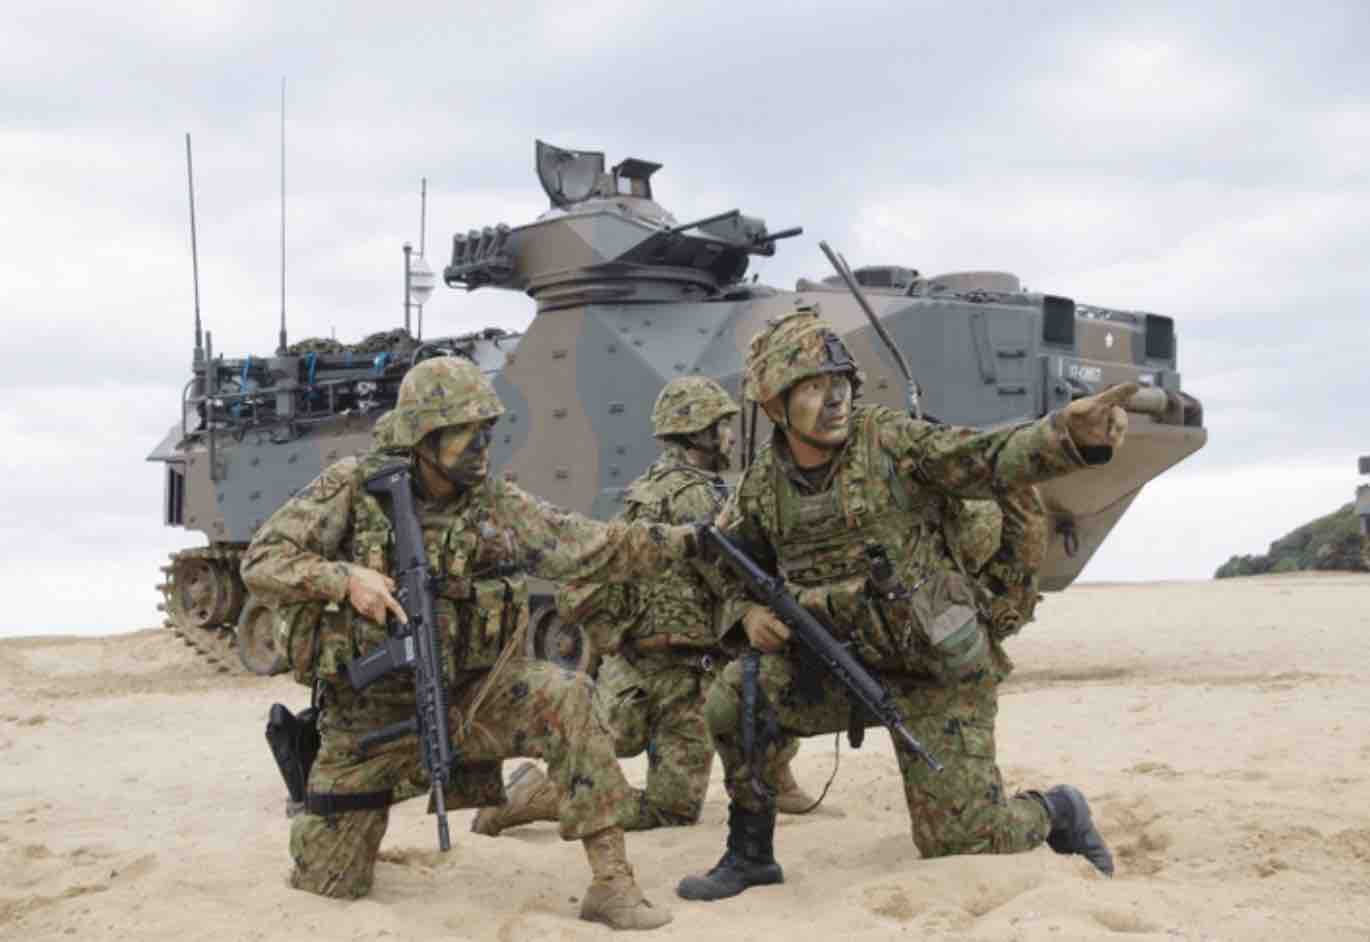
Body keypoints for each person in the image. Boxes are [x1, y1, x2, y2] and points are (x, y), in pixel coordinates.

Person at [676, 307, 1129, 901]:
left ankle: (1060, 811)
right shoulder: (763, 486)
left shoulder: (890, 441)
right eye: (813, 387)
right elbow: (725, 561)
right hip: (839, 668)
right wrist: (745, 613)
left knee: (966, 838)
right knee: (736, 695)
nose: (834, 399)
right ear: (773, 406)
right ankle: (750, 853)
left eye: (840, 383)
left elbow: (988, 457)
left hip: (935, 669)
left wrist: (1068, 438)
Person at [240, 355, 703, 931]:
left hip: (474, 695)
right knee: (330, 884)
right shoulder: (354, 488)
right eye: (466, 432)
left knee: (568, 696)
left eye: (487, 429)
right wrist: (344, 578)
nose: (483, 444)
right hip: (372, 719)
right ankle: (329, 795)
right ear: (425, 437)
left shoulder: (494, 500)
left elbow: (583, 544)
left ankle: (612, 884)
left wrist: (689, 542)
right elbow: (261, 561)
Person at [471, 377, 818, 838]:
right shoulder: (702, 496)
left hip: (632, 663)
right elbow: (731, 575)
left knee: (627, 738)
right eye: (723, 426)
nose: (731, 436)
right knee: (681, 796)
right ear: (699, 433)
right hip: (685, 676)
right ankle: (547, 797)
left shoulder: (644, 488)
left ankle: (774, 776)